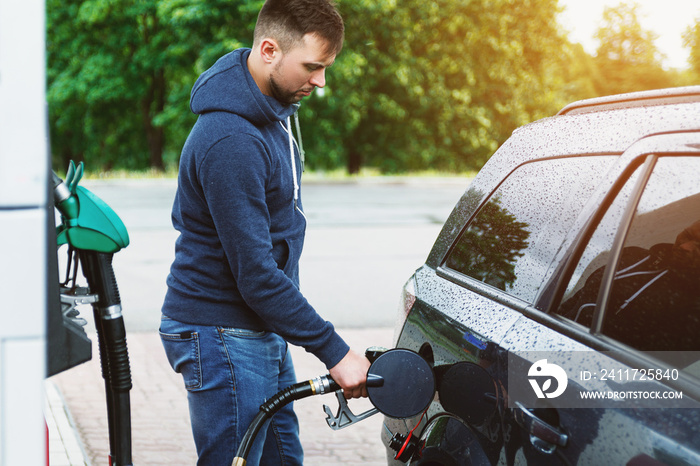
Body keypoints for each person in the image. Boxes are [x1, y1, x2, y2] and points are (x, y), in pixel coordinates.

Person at [159, 1, 370, 464]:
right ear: (269, 49)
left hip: (255, 326)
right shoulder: (231, 140)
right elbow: (255, 273)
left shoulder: (274, 111)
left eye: (326, 68)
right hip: (221, 331)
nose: (321, 82)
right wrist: (335, 351)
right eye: (312, 67)